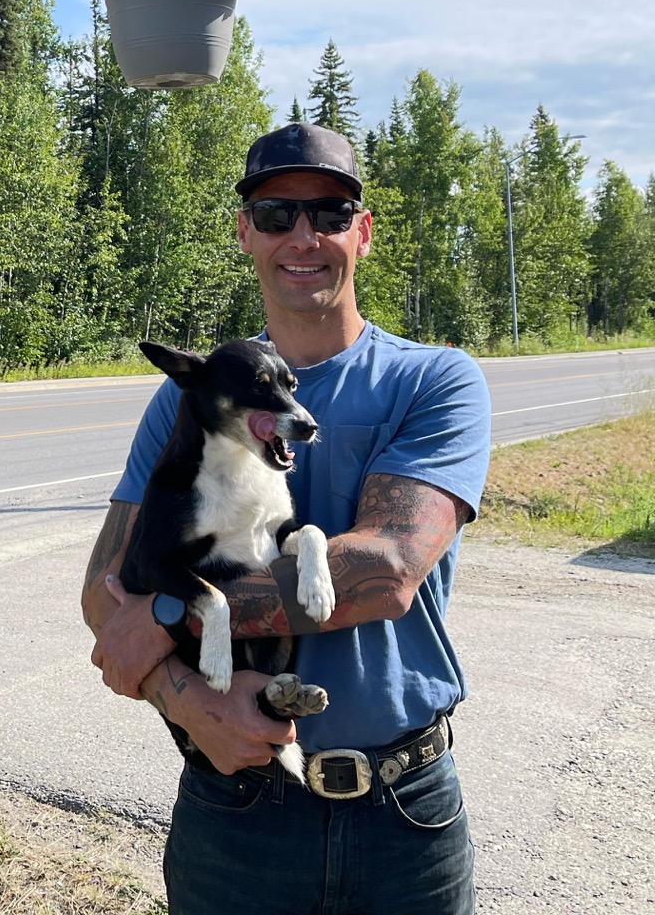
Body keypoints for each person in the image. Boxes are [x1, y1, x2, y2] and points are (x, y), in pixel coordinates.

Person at [83, 121, 491, 915]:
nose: (303, 235)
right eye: (276, 214)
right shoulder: (187, 397)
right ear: (245, 233)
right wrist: (188, 701)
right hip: (236, 810)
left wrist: (175, 617)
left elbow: (386, 571)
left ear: (362, 233)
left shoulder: (433, 380)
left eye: (330, 213)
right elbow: (105, 591)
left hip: (403, 817)